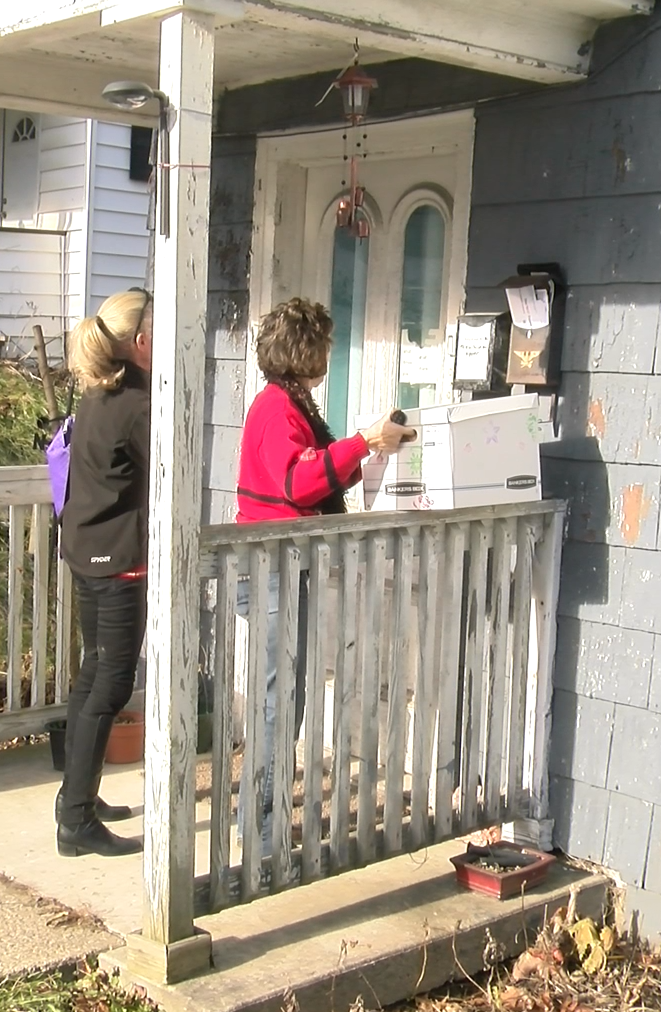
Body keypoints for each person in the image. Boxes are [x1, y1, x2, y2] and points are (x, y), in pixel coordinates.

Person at [235, 296, 414, 854]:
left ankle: (261, 829)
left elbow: (315, 473)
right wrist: (363, 441)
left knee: (283, 699)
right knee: (277, 704)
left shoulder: (289, 405)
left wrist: (372, 448)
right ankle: (263, 840)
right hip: (274, 570)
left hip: (284, 568)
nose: (330, 356)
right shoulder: (276, 409)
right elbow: (298, 482)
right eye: (326, 346)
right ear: (307, 352)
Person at [55, 288, 153, 859]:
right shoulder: (137, 403)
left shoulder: (99, 393)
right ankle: (76, 821)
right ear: (140, 342)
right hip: (115, 560)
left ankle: (77, 796)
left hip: (85, 548)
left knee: (92, 675)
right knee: (111, 683)